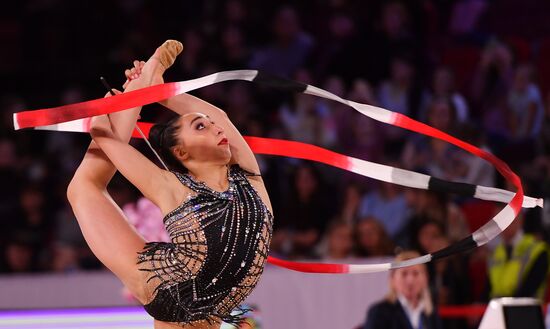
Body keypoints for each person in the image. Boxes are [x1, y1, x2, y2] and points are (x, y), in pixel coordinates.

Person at [67, 40, 273, 329]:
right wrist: (118, 105)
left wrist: (159, 90)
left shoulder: (249, 175)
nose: (215, 127)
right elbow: (104, 136)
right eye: (200, 127)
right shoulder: (172, 187)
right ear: (181, 152)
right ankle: (134, 95)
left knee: (84, 186)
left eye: (210, 124)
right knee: (84, 187)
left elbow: (221, 117)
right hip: (168, 286)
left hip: (212, 302)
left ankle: (139, 91)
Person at [363, 250, 443, 329]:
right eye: (404, 274)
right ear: (392, 279)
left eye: (415, 273)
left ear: (425, 278)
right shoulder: (379, 312)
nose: (410, 281)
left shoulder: (431, 313)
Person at [485, 213, 549, 301]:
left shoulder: (537, 250)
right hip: (496, 311)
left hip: (527, 311)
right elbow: (488, 289)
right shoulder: (496, 253)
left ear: (519, 219)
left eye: (503, 220)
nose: (500, 226)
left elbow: (528, 291)